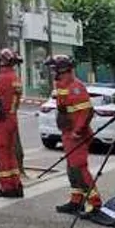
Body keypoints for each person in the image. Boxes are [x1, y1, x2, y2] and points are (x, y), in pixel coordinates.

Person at [45, 54, 103, 214]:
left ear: (61, 69)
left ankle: (95, 203)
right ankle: (76, 201)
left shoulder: (75, 87)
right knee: (72, 169)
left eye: (53, 69)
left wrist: (77, 131)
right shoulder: (62, 85)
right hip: (68, 133)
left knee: (79, 168)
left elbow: (87, 112)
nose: (51, 72)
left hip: (77, 135)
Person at [0, 49, 25, 198]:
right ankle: (16, 184)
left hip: (1, 120)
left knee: (1, 153)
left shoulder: (1, 78)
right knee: (10, 153)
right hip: (12, 118)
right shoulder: (16, 78)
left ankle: (7, 187)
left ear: (3, 61)